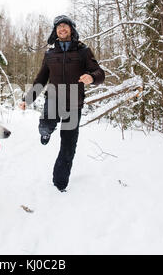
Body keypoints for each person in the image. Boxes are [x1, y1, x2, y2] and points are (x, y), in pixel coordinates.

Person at [18, 15, 105, 192]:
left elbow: (99, 72)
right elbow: (41, 79)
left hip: (74, 103)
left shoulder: (83, 51)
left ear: (71, 29)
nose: (62, 29)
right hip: (54, 98)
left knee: (68, 144)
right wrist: (27, 100)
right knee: (46, 124)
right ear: (55, 31)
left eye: (65, 26)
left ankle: (60, 183)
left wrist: (92, 77)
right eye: (59, 27)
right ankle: (45, 132)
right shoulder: (50, 54)